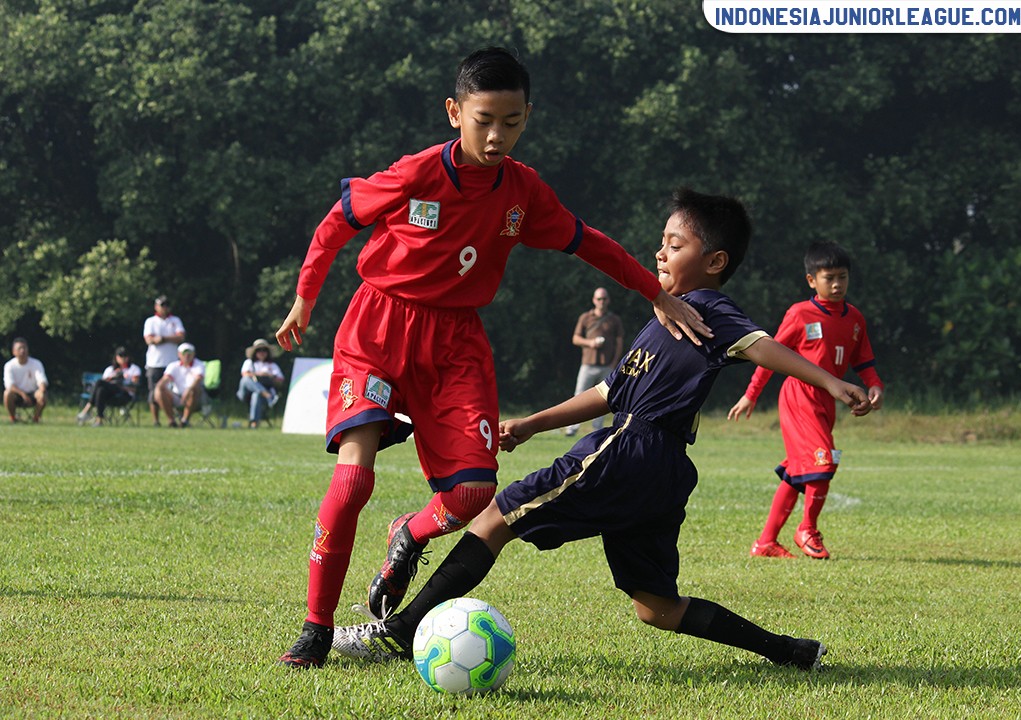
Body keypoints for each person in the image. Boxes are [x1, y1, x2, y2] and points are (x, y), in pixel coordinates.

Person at [273, 47, 713, 669]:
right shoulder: (415, 174)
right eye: (484, 118)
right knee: (352, 481)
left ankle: (410, 533)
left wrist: (656, 293)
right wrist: (304, 299)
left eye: (512, 120)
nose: (497, 133)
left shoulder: (523, 191)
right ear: (455, 112)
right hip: (376, 329)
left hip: (456, 347)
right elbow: (334, 225)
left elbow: (588, 243)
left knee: (473, 495)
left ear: (527, 117)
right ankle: (316, 628)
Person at [330, 188, 872, 672]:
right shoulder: (663, 319)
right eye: (662, 241)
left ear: (715, 261)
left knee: (495, 517)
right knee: (656, 607)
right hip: (661, 471)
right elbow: (609, 393)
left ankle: (398, 635)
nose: (659, 252)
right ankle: (788, 650)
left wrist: (832, 382)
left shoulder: (708, 309)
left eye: (675, 243)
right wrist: (532, 424)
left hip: (630, 449)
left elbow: (761, 346)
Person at [728, 241, 884, 561]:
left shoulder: (854, 318)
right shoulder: (800, 314)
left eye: (843, 277)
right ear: (812, 280)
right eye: (830, 278)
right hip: (800, 396)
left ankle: (765, 542)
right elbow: (768, 355)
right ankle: (806, 530)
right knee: (823, 462)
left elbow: (864, 361)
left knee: (800, 469)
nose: (837, 284)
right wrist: (750, 395)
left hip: (828, 401)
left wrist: (874, 385)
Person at [565, 287, 624, 436]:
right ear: (594, 300)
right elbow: (575, 338)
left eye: (604, 299)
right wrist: (590, 343)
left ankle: (597, 430)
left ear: (608, 301)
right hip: (588, 364)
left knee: (603, 399)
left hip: (607, 365)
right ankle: (572, 428)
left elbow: (619, 341)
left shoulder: (614, 320)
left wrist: (615, 362)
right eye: (599, 299)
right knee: (578, 396)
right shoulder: (586, 317)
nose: (601, 302)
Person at [143, 295, 186, 427]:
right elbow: (149, 340)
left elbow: (181, 337)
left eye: (166, 305)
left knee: (172, 392)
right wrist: (158, 339)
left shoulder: (175, 320)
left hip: (172, 364)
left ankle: (172, 419)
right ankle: (156, 420)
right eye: (162, 305)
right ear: (156, 307)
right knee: (153, 392)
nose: (164, 308)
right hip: (155, 363)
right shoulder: (151, 321)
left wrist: (162, 339)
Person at [76, 346, 142, 427]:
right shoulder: (110, 370)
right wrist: (112, 377)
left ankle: (87, 410)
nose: (123, 358)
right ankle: (99, 420)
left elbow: (134, 387)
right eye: (121, 356)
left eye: (125, 356)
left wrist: (123, 380)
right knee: (100, 390)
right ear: (116, 357)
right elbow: (104, 383)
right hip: (109, 395)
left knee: (99, 382)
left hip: (124, 394)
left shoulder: (134, 369)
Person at [236, 338, 285, 429]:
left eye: (264, 350)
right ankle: (266, 394)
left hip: (260, 395)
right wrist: (258, 374)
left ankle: (254, 423)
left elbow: (280, 381)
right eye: (259, 350)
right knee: (245, 379)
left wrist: (269, 376)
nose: (262, 352)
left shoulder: (272, 366)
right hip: (246, 393)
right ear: (255, 352)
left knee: (256, 394)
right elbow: (245, 374)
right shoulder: (249, 363)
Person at [154, 342, 204, 428]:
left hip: (196, 397)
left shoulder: (199, 365)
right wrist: (159, 387)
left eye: (190, 353)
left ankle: (184, 421)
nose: (187, 356)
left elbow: (197, 379)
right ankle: (171, 421)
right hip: (176, 396)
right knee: (159, 390)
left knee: (194, 389)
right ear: (179, 354)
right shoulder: (173, 366)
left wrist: (188, 390)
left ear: (193, 354)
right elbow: (166, 379)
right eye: (185, 353)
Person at [3, 337, 48, 423]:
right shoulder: (9, 366)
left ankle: (36, 419)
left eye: (24, 348)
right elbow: (10, 385)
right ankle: (13, 418)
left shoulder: (36, 363)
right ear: (14, 351)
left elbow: (42, 380)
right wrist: (23, 394)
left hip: (33, 393)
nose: (22, 351)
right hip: (17, 395)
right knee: (7, 393)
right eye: (19, 348)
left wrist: (41, 390)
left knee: (42, 395)